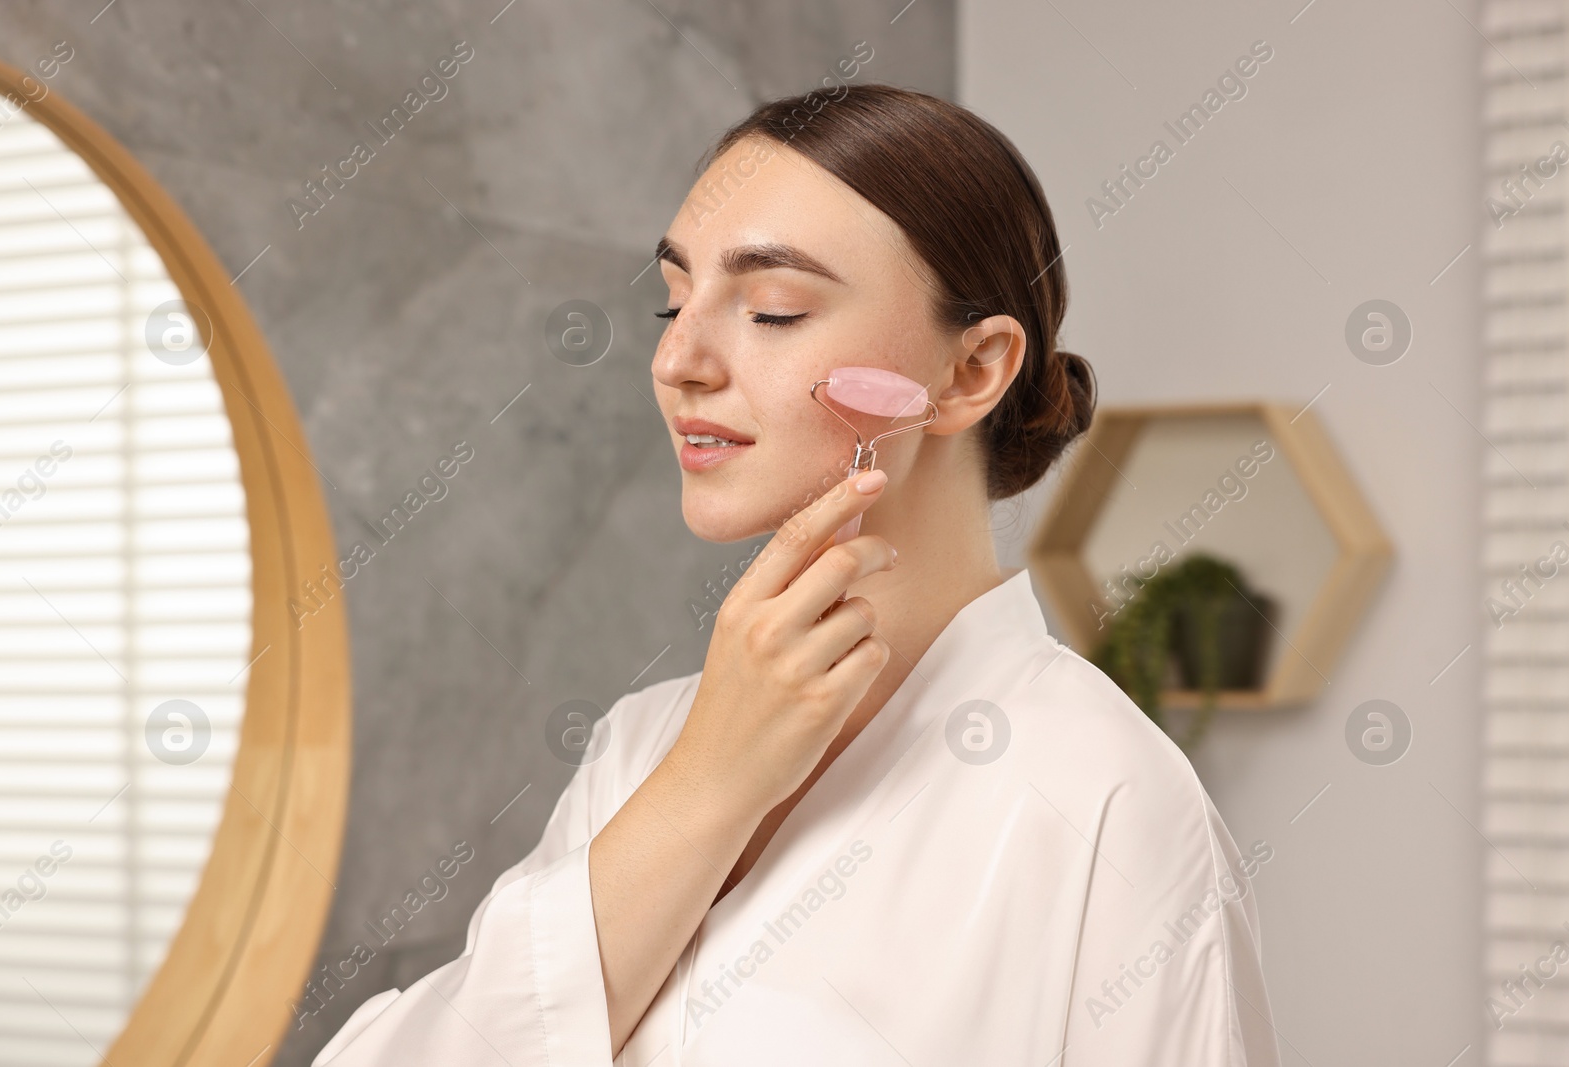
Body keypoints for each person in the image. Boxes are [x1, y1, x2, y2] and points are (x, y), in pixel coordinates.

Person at [311, 83, 1280, 1067]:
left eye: (772, 310)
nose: (677, 357)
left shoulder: (1103, 797)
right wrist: (705, 786)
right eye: (672, 296)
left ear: (971, 372)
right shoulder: (645, 748)